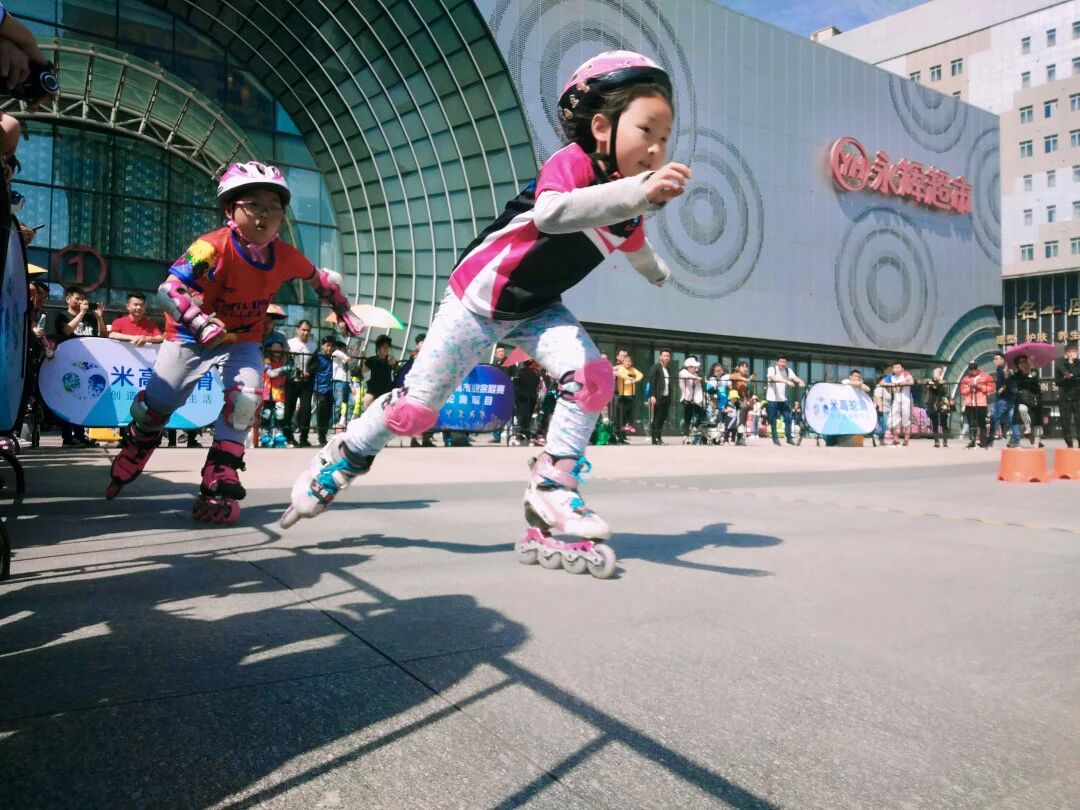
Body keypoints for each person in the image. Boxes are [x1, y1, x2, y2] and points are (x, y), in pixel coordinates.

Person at [283, 49, 685, 561]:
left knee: (593, 379)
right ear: (602, 127)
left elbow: (635, 245)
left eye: (665, 138)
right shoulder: (575, 164)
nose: (656, 148)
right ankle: (343, 455)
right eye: (647, 130)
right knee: (414, 412)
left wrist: (657, 272)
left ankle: (552, 487)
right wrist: (639, 193)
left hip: (537, 309)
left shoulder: (629, 208)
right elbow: (553, 213)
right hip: (477, 300)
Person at [104, 161, 363, 523]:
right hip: (189, 335)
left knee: (246, 399)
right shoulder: (210, 247)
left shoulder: (285, 255)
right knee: (158, 404)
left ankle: (221, 470)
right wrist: (198, 321)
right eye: (254, 205)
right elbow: (169, 289)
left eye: (274, 208)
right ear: (230, 210)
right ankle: (140, 440)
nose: (264, 215)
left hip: (243, 336)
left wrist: (344, 310)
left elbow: (320, 280)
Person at [52, 285, 107, 447]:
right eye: (77, 298)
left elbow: (102, 335)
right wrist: (81, 313)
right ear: (68, 299)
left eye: (83, 299)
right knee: (69, 399)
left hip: (88, 364)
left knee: (84, 399)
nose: (81, 302)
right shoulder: (61, 315)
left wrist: (99, 318)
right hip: (68, 364)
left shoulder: (90, 317)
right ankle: (67, 437)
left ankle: (81, 435)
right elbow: (66, 331)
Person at [284, 320, 316, 447]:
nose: (305, 332)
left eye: (308, 330)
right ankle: (288, 437)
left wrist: (308, 372)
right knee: (289, 409)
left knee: (306, 410)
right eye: (303, 330)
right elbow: (287, 361)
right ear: (298, 329)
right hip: (292, 381)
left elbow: (315, 363)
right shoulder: (290, 343)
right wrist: (298, 372)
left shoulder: (313, 346)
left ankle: (304, 438)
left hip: (306, 383)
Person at [765, 356, 805, 446]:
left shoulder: (788, 370)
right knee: (773, 420)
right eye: (781, 361)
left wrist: (801, 381)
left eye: (784, 362)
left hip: (783, 399)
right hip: (772, 399)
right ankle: (775, 439)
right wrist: (786, 381)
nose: (783, 364)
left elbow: (795, 378)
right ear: (777, 362)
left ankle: (789, 438)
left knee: (788, 417)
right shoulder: (772, 369)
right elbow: (773, 378)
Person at [1009, 355, 1045, 447]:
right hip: (1022, 400)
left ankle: (1036, 441)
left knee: (1037, 422)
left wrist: (1031, 368)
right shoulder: (1017, 375)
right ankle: (1015, 441)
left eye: (1025, 361)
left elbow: (1034, 378)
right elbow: (1009, 382)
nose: (1023, 364)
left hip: (1034, 401)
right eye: (1020, 363)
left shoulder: (1034, 372)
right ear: (1018, 366)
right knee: (1020, 412)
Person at [259, 339, 290, 448]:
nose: (277, 349)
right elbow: (271, 373)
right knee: (266, 413)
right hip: (268, 392)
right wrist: (285, 369)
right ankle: (264, 433)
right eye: (274, 347)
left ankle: (278, 433)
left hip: (279, 392)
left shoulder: (283, 360)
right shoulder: (267, 360)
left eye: (279, 347)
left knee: (280, 414)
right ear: (269, 348)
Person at [958, 361, 993, 448]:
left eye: (974, 368)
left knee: (982, 423)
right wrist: (970, 389)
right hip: (969, 403)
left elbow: (991, 388)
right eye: (971, 369)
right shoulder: (966, 378)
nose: (973, 370)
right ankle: (972, 441)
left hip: (981, 403)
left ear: (977, 368)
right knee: (971, 423)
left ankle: (983, 443)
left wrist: (980, 387)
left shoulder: (986, 376)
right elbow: (962, 391)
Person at [988, 352, 1018, 448]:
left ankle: (989, 441)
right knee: (1012, 421)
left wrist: (1001, 389)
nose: (994, 361)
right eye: (994, 359)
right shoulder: (1003, 370)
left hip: (1002, 400)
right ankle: (1016, 441)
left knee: (993, 418)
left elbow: (1006, 380)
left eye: (996, 359)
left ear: (1002, 360)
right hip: (1010, 400)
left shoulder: (1003, 369)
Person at [613, 352, 643, 444]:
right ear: (623, 362)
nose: (628, 363)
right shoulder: (621, 369)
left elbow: (640, 375)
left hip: (631, 396)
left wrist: (635, 380)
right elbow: (620, 374)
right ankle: (619, 436)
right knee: (620, 416)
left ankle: (625, 432)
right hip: (622, 396)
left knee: (628, 415)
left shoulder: (633, 369)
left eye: (629, 361)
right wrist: (629, 378)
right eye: (626, 361)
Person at [311, 336, 336, 446]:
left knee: (329, 412)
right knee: (322, 408)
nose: (330, 348)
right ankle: (321, 436)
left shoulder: (335, 358)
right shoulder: (317, 356)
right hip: (318, 388)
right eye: (327, 346)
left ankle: (324, 434)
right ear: (322, 346)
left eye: (332, 346)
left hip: (330, 389)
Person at [646, 348, 674, 445]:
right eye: (664, 355)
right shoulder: (656, 367)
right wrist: (652, 395)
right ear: (660, 357)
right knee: (657, 417)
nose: (666, 357)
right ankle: (655, 438)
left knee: (663, 417)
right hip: (658, 396)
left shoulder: (668, 369)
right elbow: (652, 381)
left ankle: (658, 436)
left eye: (668, 356)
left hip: (666, 396)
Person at [1054, 345, 1080, 448]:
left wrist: (1071, 366)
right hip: (1064, 397)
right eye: (1070, 351)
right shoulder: (1060, 364)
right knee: (1065, 422)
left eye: (1074, 351)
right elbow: (1057, 382)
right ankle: (1069, 443)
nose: (1072, 353)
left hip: (1078, 397)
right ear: (1066, 353)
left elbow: (1075, 373)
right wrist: (1066, 377)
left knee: (1079, 421)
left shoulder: (1079, 363)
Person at [884, 362, 914, 446]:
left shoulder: (906, 374)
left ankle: (906, 440)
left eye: (898, 367)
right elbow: (882, 382)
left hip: (906, 400)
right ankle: (896, 439)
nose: (896, 369)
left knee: (906, 421)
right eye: (895, 367)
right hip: (896, 401)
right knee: (890, 421)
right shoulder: (891, 376)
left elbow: (911, 382)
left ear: (902, 368)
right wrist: (892, 384)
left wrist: (902, 383)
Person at [922, 367, 953, 448]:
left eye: (937, 373)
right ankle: (936, 441)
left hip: (943, 403)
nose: (935, 375)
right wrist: (929, 384)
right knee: (934, 422)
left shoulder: (944, 382)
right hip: (932, 403)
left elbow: (944, 391)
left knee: (944, 423)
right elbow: (925, 385)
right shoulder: (930, 381)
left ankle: (945, 441)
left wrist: (939, 383)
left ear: (941, 374)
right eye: (934, 373)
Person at [362, 334, 395, 409]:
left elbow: (396, 370)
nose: (386, 348)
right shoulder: (372, 359)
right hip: (373, 388)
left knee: (382, 410)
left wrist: (394, 364)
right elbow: (364, 371)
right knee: (367, 403)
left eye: (388, 347)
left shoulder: (391, 359)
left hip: (386, 389)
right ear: (378, 347)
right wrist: (363, 360)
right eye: (384, 346)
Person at [728, 361, 754, 445]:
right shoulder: (735, 375)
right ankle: (738, 437)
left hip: (744, 400)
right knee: (743, 408)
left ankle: (740, 437)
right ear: (739, 368)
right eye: (743, 366)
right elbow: (731, 377)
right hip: (735, 399)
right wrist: (742, 379)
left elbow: (749, 392)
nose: (745, 368)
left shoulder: (748, 378)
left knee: (747, 414)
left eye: (746, 367)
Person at [678, 356, 705, 440]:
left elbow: (698, 388)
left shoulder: (695, 374)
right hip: (686, 399)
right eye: (694, 367)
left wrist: (700, 399)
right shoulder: (683, 372)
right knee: (687, 417)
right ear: (689, 367)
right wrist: (696, 378)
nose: (696, 369)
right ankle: (686, 435)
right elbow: (685, 375)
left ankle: (694, 427)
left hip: (693, 400)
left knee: (702, 412)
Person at [490, 345, 508, 443]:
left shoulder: (510, 364)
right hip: (496, 393)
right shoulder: (493, 365)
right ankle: (496, 436)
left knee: (504, 414)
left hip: (506, 393)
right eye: (499, 352)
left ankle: (505, 435)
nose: (501, 353)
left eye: (503, 351)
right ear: (496, 354)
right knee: (495, 414)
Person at [873, 371, 891, 447]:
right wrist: (880, 407)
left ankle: (881, 440)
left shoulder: (886, 389)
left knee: (883, 425)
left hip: (887, 409)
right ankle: (875, 434)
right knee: (884, 426)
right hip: (882, 409)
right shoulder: (879, 388)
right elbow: (878, 398)